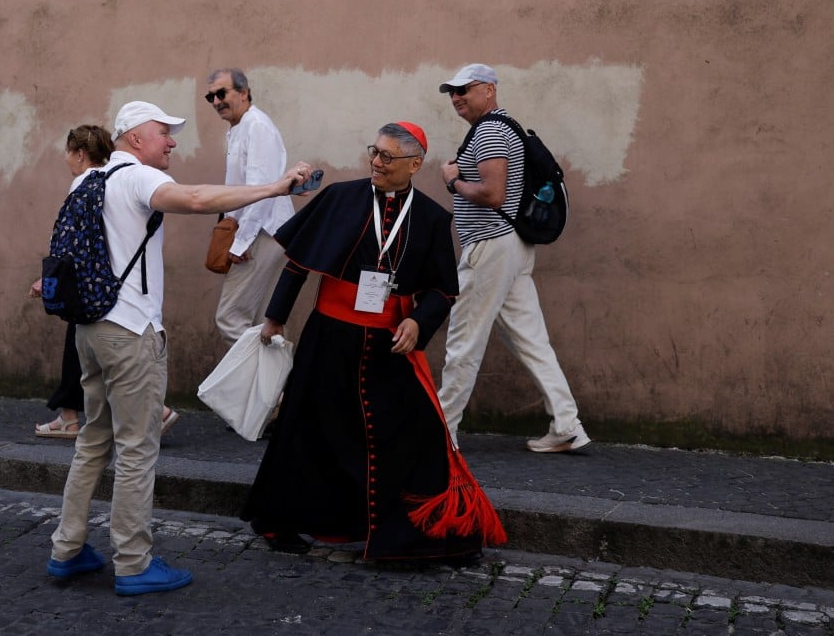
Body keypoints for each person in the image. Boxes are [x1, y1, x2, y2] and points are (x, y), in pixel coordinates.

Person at [46, 100, 316, 595]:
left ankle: (67, 548)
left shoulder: (86, 180)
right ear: (133, 138)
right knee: (136, 448)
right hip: (129, 333)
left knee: (93, 439)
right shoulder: (135, 177)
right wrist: (276, 188)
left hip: (89, 331)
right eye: (162, 132)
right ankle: (133, 562)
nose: (172, 141)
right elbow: (193, 198)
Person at [240, 122, 506, 562]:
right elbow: (297, 264)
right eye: (375, 152)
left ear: (415, 165)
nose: (376, 162)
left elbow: (443, 290)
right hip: (329, 338)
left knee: (412, 432)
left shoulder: (434, 218)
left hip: (389, 344)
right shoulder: (341, 198)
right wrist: (274, 319)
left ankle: (417, 532)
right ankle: (278, 522)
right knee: (305, 430)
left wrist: (420, 323)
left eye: (387, 157)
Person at [435, 63, 591, 454]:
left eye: (464, 89)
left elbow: (493, 194)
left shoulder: (489, 130)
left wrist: (453, 180)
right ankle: (567, 425)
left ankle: (442, 429)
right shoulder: (502, 127)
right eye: (452, 92)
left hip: (490, 247)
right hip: (512, 247)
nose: (456, 97)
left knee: (464, 339)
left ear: (489, 90)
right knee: (532, 341)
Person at [29, 126, 177, 438]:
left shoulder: (85, 183)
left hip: (97, 296)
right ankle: (75, 415)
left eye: (69, 153)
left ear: (80, 153)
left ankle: (80, 417)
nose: (67, 159)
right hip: (113, 297)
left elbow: (72, 244)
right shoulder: (115, 179)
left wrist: (51, 276)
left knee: (117, 440)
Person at [205, 68, 294, 346]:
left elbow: (262, 189)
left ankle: (257, 383)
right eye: (211, 96)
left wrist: (241, 241)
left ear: (244, 93)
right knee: (264, 322)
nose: (217, 101)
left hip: (261, 232)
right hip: (265, 232)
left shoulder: (256, 125)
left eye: (222, 93)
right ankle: (274, 386)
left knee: (230, 318)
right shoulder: (242, 127)